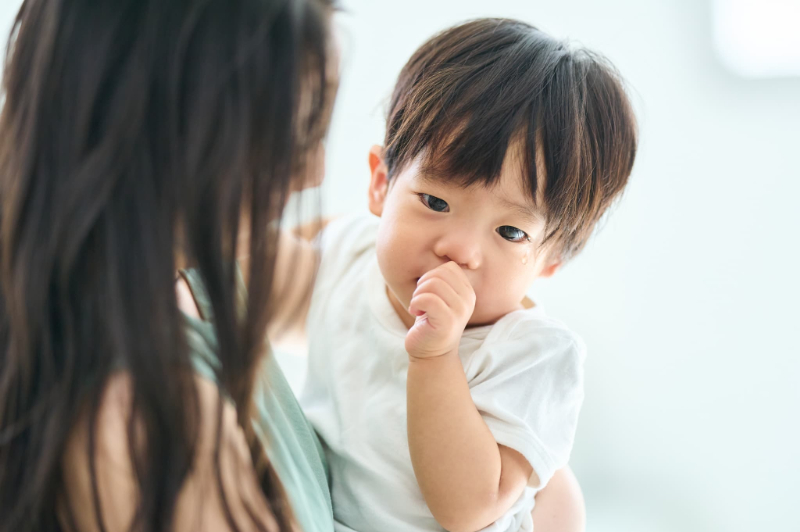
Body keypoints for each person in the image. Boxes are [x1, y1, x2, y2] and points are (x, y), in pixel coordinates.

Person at [0, 3, 582, 532]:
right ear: (180, 132)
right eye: (297, 130)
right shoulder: (136, 417)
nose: (315, 174)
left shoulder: (198, 274)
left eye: (510, 231)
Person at [287, 18, 638, 532]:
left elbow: (467, 508)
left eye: (510, 233)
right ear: (381, 185)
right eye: (435, 201)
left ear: (550, 260)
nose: (460, 249)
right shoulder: (349, 252)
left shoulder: (534, 358)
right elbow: (234, 277)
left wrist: (436, 357)